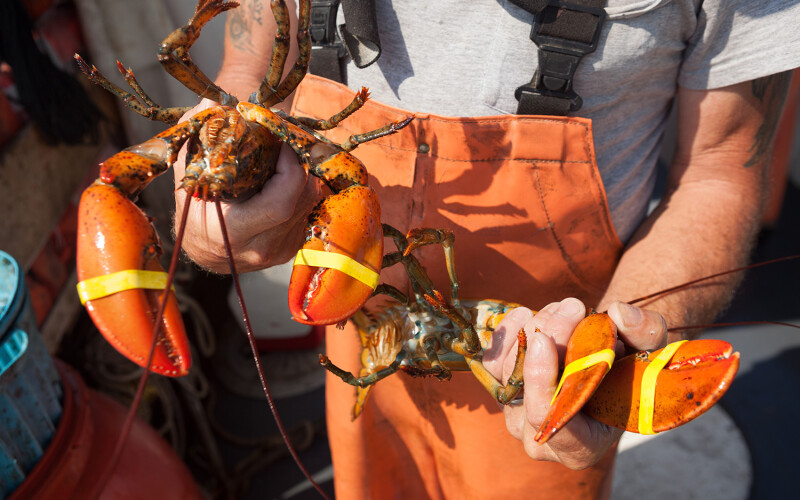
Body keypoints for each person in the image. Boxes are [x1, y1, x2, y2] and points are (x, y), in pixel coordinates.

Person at [172, 1, 800, 498]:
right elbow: (251, 64)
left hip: (544, 356)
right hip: (355, 310)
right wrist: (222, 197)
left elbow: (721, 169)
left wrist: (605, 356)